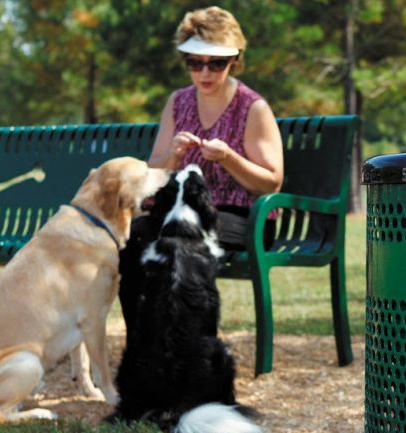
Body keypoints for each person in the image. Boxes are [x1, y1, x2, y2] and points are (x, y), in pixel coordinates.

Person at [119, 6, 284, 333]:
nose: (205, 73)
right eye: (195, 63)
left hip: (241, 215)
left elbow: (271, 184)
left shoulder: (253, 107)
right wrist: (172, 155)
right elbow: (153, 171)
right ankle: (142, 342)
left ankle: (188, 343)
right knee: (132, 240)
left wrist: (229, 158)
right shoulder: (177, 102)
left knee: (181, 239)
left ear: (234, 60)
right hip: (179, 210)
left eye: (216, 63)